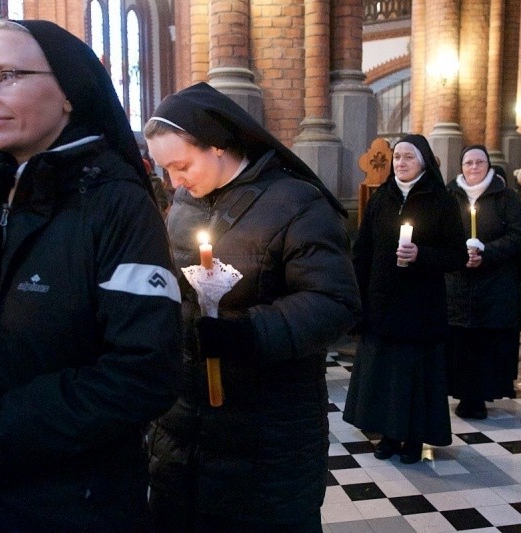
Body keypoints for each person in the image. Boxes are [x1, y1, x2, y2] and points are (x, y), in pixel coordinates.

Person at [0, 20, 181, 531]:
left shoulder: (117, 206)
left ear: (69, 93)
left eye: (4, 76)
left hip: (74, 506)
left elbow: (142, 375)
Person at [144, 82, 361, 532]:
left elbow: (334, 302)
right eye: (165, 171)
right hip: (184, 424)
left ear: (219, 146)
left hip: (268, 429)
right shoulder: (184, 204)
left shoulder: (297, 203)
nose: (173, 182)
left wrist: (248, 334)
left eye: (180, 166)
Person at [343, 134, 466, 464]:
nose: (400, 163)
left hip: (420, 305)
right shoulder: (381, 198)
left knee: (414, 374)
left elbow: (456, 255)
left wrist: (421, 254)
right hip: (382, 301)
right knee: (384, 372)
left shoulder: (442, 201)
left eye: (408, 157)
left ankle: (413, 439)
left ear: (423, 161)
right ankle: (387, 434)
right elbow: (363, 250)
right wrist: (358, 293)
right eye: (397, 157)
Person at [445, 146, 521, 420]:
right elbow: (438, 231)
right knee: (461, 341)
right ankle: (461, 393)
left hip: (495, 284)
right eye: (468, 162)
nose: (473, 167)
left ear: (488, 165)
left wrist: (486, 252)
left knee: (486, 342)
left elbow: (519, 235)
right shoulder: (450, 195)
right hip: (458, 283)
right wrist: (461, 253)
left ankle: (479, 396)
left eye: (479, 162)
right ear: (461, 166)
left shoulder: (506, 197)